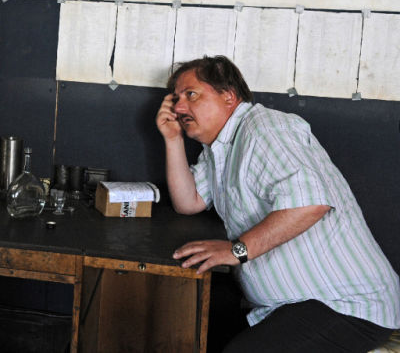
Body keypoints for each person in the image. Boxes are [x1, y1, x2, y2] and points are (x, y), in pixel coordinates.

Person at [155, 55, 399, 352]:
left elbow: (311, 204)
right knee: (195, 333)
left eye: (191, 94)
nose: (179, 108)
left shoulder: (265, 130)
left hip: (346, 306)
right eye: (176, 99)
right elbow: (188, 201)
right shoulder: (219, 147)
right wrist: (172, 139)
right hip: (286, 307)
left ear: (228, 96)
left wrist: (236, 250)